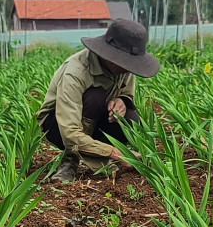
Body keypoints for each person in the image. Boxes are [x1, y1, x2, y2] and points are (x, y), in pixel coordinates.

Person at [36, 16, 159, 182]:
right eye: (124, 62)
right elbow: (70, 132)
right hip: (58, 125)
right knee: (95, 97)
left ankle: (97, 154)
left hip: (97, 119)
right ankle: (70, 160)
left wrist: (121, 100)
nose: (127, 68)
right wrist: (115, 152)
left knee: (131, 117)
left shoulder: (124, 69)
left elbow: (127, 94)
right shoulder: (76, 71)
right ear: (108, 54)